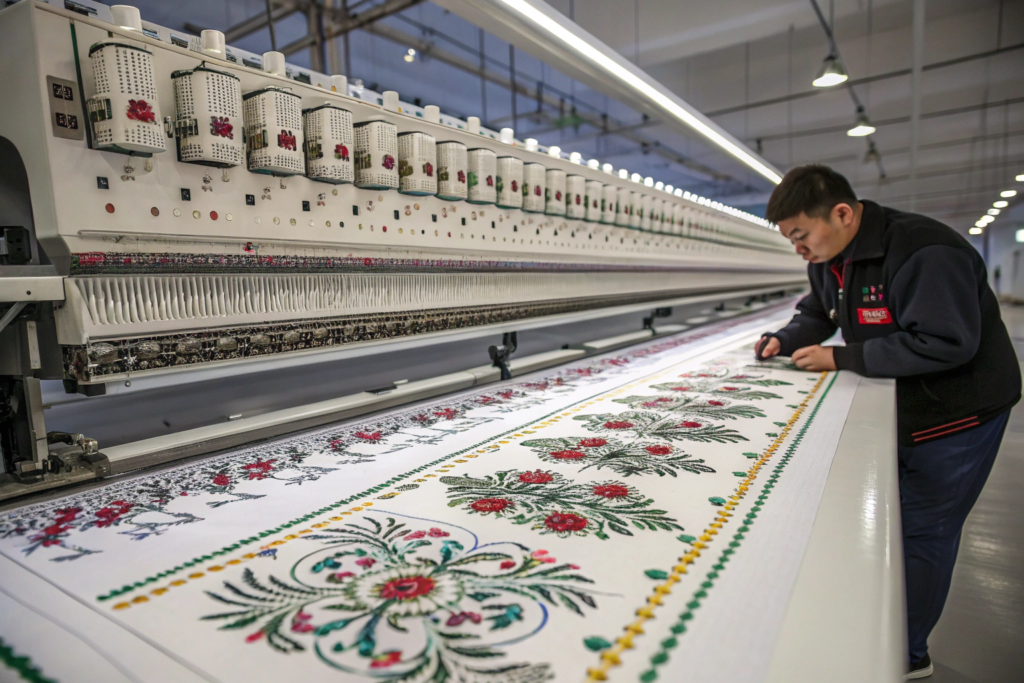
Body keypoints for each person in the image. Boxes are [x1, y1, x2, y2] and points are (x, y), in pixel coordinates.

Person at [754, 165, 1021, 679]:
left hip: (957, 412)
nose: (799, 249)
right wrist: (784, 338)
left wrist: (841, 358)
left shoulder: (925, 251)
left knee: (924, 528)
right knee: (890, 522)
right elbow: (819, 311)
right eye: (790, 240)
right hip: (906, 398)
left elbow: (945, 342)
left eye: (801, 235)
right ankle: (873, 624)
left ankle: (905, 655)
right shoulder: (830, 258)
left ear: (842, 213)